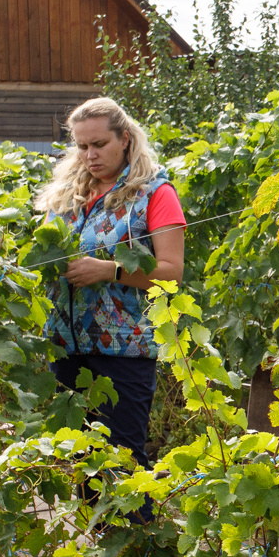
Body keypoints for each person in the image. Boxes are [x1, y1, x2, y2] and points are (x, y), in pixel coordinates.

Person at [36, 97, 187, 469]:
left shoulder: (154, 194)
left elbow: (172, 270)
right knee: (82, 465)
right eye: (82, 146)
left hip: (123, 352)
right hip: (66, 348)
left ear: (125, 139)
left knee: (122, 465)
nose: (90, 155)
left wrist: (109, 270)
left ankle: (139, 530)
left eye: (99, 144)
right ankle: (100, 530)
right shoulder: (68, 195)